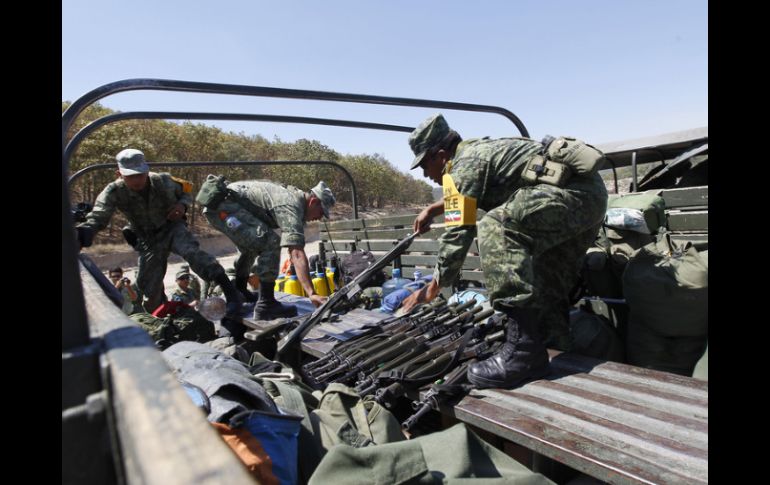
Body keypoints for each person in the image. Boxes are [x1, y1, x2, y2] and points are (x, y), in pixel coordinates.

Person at [401, 114, 608, 390]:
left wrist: (432, 288)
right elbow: (465, 197)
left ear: (440, 156)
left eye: (425, 165)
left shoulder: (464, 164)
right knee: (548, 282)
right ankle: (551, 351)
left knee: (496, 226)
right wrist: (433, 208)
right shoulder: (476, 155)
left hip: (572, 196)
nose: (426, 174)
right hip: (588, 198)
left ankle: (523, 352)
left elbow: (458, 232)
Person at [75, 149, 243, 315]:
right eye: (131, 176)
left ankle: (231, 294)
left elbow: (186, 193)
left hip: (172, 227)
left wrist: (182, 206)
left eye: (140, 174)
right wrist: (85, 232)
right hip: (148, 238)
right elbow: (99, 216)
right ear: (119, 174)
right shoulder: (113, 191)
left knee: (192, 253)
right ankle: (160, 318)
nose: (137, 180)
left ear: (146, 170)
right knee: (148, 286)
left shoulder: (163, 181)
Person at [200, 178, 335, 320]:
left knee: (253, 245)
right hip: (223, 207)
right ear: (313, 202)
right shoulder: (290, 205)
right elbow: (296, 253)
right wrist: (312, 293)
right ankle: (266, 304)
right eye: (321, 212)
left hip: (222, 206)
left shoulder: (294, 203)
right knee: (271, 243)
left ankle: (240, 290)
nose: (319, 218)